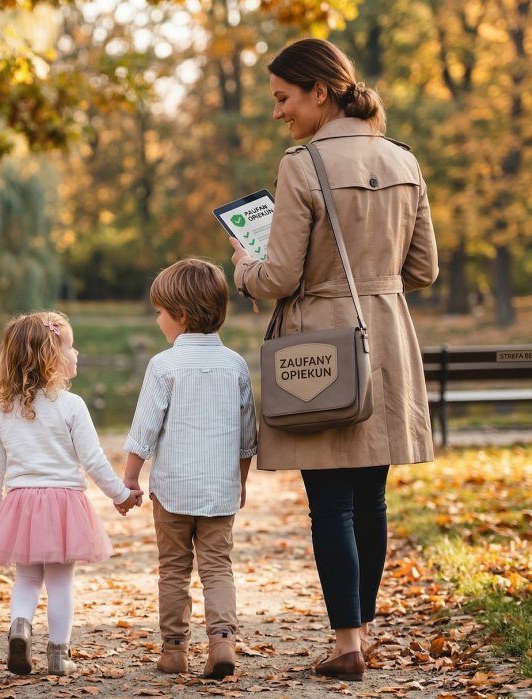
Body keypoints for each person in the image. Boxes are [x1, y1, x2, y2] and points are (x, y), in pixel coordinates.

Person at [230, 38, 438, 682]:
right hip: (386, 340)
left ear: (320, 92)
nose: (278, 113)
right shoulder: (404, 160)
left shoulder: (302, 165)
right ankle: (365, 633)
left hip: (318, 346)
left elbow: (281, 275)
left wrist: (245, 268)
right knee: (370, 500)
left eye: (283, 98)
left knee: (331, 505)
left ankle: (347, 644)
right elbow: (424, 269)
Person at [0, 311, 142, 677]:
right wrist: (120, 494)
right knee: (60, 582)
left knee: (26, 579)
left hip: (20, 504)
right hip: (63, 504)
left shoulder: (3, 410)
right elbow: (94, 461)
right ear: (51, 359)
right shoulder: (72, 405)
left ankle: (20, 627)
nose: (78, 353)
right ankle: (58, 653)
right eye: (70, 346)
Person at [122, 258, 258, 678]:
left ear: (180, 315)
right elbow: (247, 433)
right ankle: (222, 643)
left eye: (160, 312)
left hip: (173, 491)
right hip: (219, 489)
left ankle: (175, 650)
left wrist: (130, 477)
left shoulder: (164, 365)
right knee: (218, 567)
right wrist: (241, 481)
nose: (158, 319)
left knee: (175, 569)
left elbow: (144, 428)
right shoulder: (235, 364)